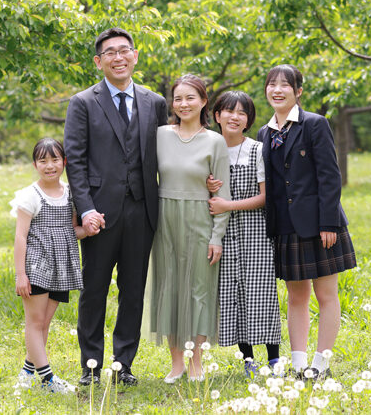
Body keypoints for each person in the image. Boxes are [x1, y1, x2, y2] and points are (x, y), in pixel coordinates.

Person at [64, 28, 168, 386]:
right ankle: (90, 367)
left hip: (143, 210)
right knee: (93, 291)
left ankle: (123, 364)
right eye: (110, 52)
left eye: (125, 51)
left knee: (133, 291)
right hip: (99, 214)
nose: (118, 57)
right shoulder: (82, 102)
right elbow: (75, 160)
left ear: (135, 56)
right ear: (99, 62)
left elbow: (166, 155)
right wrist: (85, 209)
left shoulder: (155, 102)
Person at [257, 64, 356, 380]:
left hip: (319, 225)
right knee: (296, 296)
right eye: (272, 84)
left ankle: (321, 364)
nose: (277, 90)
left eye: (285, 85)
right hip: (286, 227)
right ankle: (299, 364)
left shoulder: (315, 124)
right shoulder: (264, 133)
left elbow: (329, 176)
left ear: (298, 91)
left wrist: (329, 223)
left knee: (326, 295)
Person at [149, 74, 231, 383]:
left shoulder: (215, 141)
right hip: (165, 218)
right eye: (178, 98)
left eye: (190, 98)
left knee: (199, 290)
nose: (183, 104)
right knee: (169, 288)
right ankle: (176, 364)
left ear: (204, 101)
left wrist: (216, 236)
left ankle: (196, 362)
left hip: (200, 218)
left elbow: (222, 194)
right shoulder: (159, 135)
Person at [206, 91, 281, 377]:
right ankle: (248, 360)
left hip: (255, 232)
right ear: (217, 116)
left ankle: (274, 359)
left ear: (248, 120)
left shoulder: (257, 150)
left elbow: (266, 197)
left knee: (261, 292)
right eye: (229, 111)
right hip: (223, 233)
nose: (235, 117)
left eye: (242, 113)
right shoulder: (209, 149)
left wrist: (228, 205)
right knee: (232, 293)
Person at [10, 138, 91, 393]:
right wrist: (21, 274)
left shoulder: (70, 194)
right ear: (35, 165)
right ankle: (47, 380)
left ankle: (27, 373)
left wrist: (88, 230)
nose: (49, 166)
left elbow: (72, 231)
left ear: (64, 162)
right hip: (37, 265)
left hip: (61, 267)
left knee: (44, 323)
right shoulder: (30, 196)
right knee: (35, 323)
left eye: (55, 159)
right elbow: (20, 237)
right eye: (43, 161)